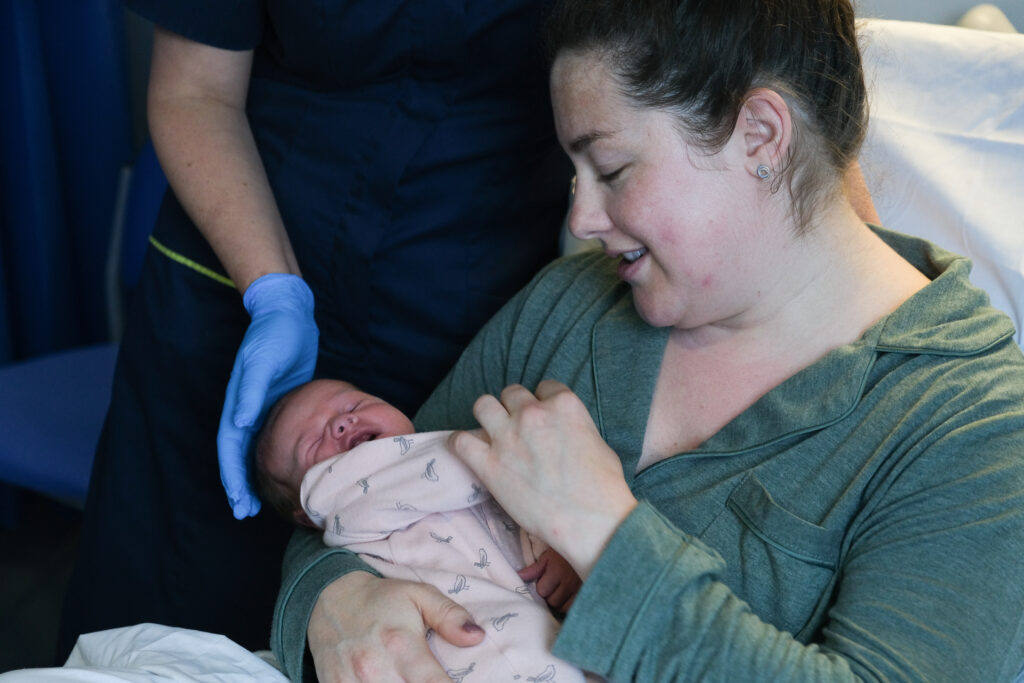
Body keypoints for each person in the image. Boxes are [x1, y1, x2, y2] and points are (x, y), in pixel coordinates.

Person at [269, 0, 1024, 681]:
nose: (583, 220)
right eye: (574, 175)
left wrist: (604, 529)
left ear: (760, 134)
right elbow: (358, 493)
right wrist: (336, 598)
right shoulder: (573, 305)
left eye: (612, 168)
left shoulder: (974, 431)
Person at [57, 0, 573, 659]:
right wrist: (271, 289)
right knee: (170, 614)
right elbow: (194, 93)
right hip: (240, 267)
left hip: (466, 298)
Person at [254, 378, 591, 682]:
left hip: (545, 643)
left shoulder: (441, 469)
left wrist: (553, 549)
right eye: (312, 444)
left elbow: (517, 516)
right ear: (308, 516)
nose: (341, 424)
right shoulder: (348, 500)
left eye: (352, 405)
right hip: (469, 656)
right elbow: (499, 469)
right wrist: (514, 449)